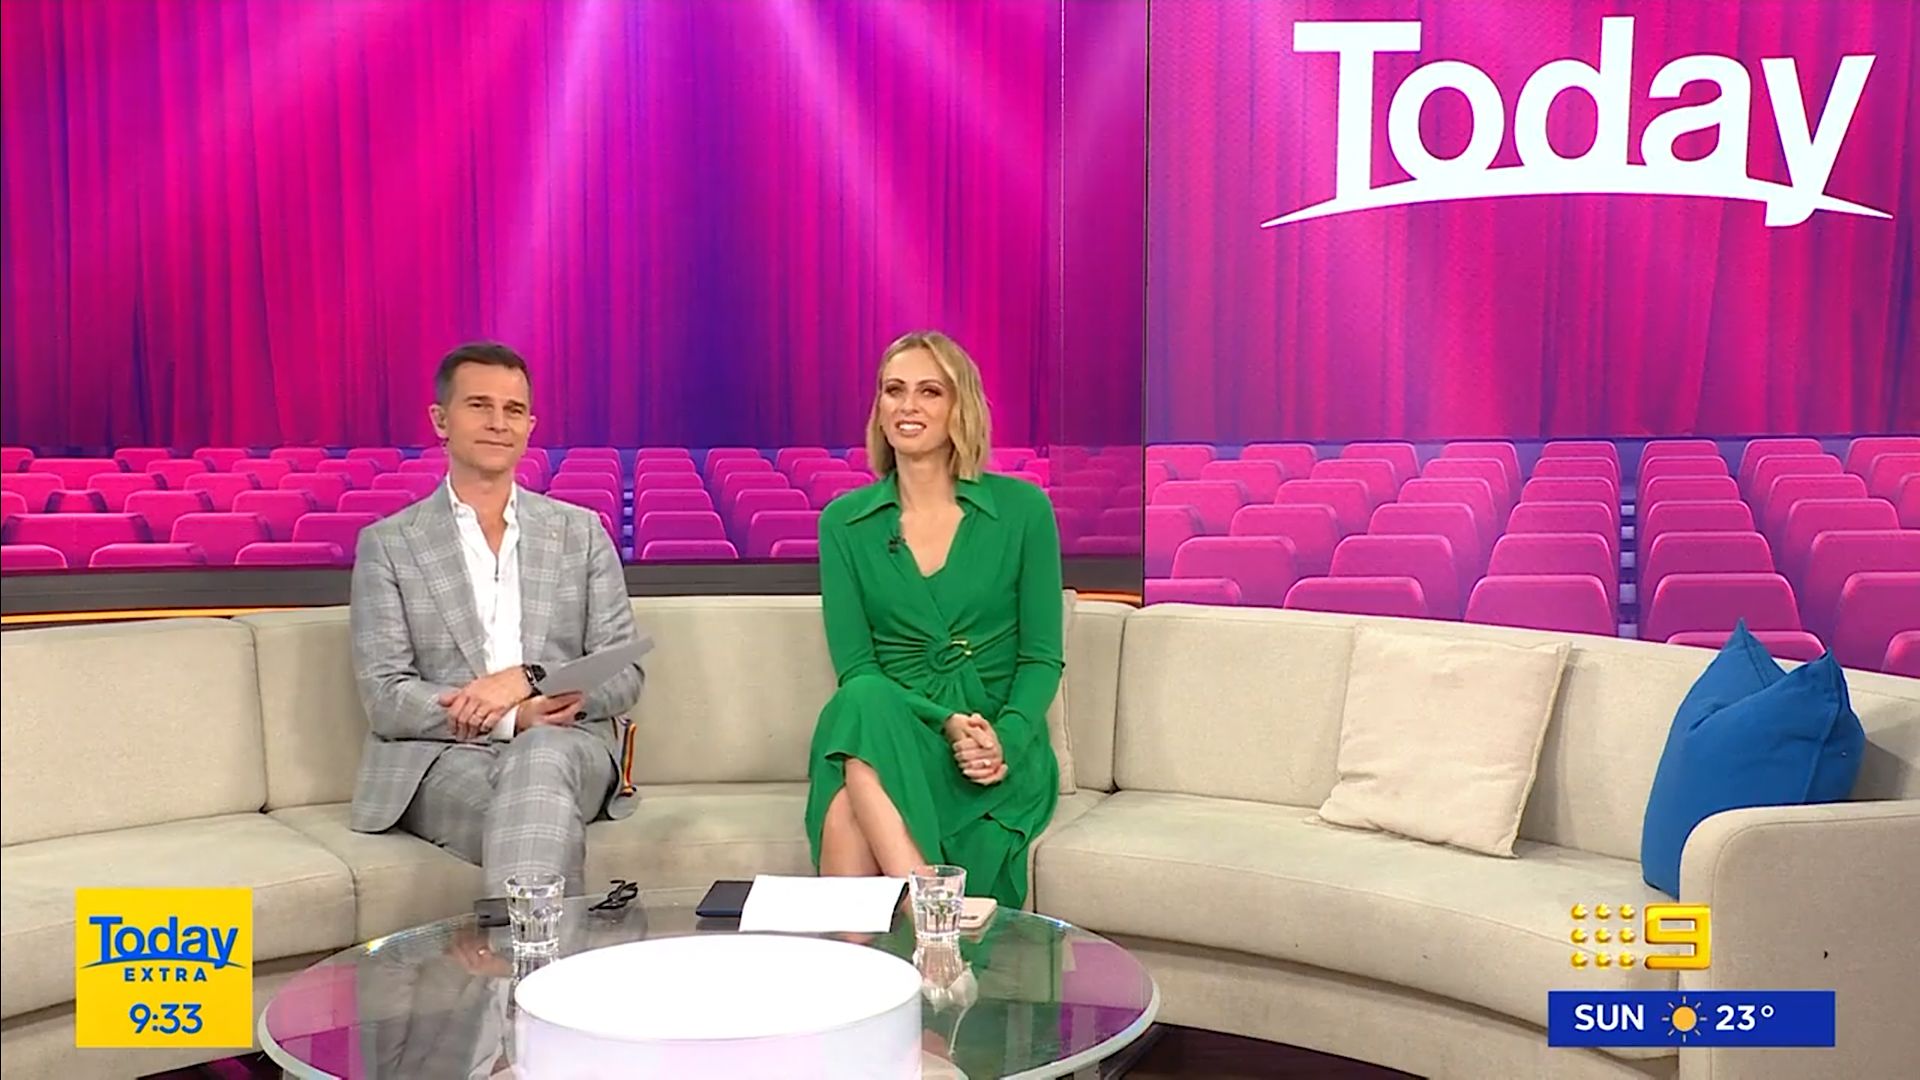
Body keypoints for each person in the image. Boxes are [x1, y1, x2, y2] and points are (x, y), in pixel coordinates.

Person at [348, 342, 647, 897]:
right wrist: (512, 718)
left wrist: (531, 681)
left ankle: (516, 952)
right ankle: (543, 946)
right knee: (536, 809)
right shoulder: (389, 544)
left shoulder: (581, 533)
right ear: (441, 420)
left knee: (541, 758)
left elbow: (623, 673)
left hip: (570, 746)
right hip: (442, 760)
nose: (497, 423)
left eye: (513, 410)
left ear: (530, 426)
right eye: (479, 405)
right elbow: (386, 696)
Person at [804, 330, 1063, 909]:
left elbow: (1042, 657)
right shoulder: (844, 523)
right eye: (894, 390)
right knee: (863, 698)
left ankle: (878, 943)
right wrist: (944, 721)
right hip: (899, 728)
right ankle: (934, 908)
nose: (908, 406)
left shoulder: (1023, 511)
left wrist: (1003, 740)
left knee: (851, 797)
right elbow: (856, 667)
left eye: (929, 391)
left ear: (959, 406)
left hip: (990, 742)